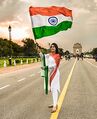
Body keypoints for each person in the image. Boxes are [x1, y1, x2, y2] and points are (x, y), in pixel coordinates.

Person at [38, 43, 61, 113]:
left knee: (54, 88)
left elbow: (54, 66)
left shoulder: (57, 55)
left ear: (56, 48)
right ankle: (55, 103)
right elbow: (42, 57)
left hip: (55, 73)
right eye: (51, 47)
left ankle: (54, 106)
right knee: (52, 88)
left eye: (54, 47)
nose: (52, 48)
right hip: (50, 73)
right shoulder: (49, 55)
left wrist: (46, 67)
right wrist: (39, 51)